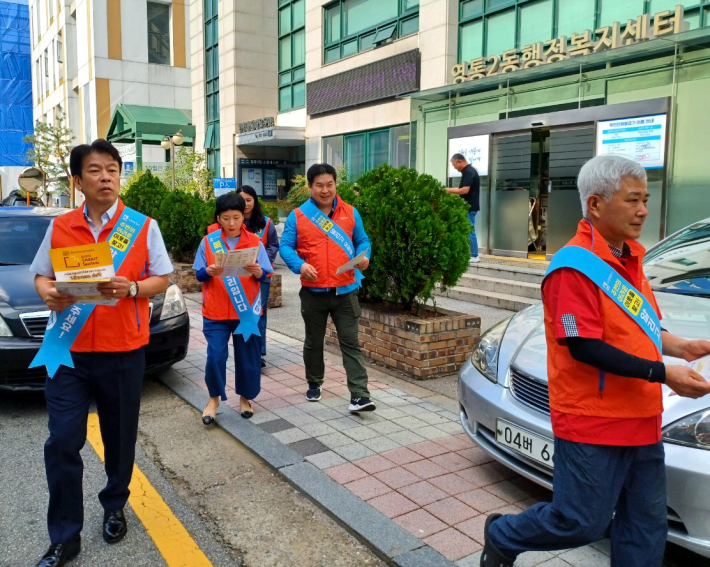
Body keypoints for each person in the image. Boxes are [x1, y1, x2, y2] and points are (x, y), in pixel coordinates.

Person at [480, 155, 710, 567]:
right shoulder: (572, 268)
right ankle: (502, 534)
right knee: (580, 521)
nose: (643, 210)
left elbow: (643, 328)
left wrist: (681, 347)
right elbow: (583, 346)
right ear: (596, 205)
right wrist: (664, 373)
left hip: (642, 417)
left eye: (646, 199)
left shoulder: (632, 258)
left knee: (645, 524)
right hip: (593, 421)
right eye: (632, 200)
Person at [29, 140, 173, 567]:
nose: (106, 177)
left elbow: (162, 278)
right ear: (77, 180)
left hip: (122, 351)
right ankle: (64, 536)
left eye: (112, 169)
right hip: (68, 353)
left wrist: (131, 287)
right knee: (62, 442)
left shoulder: (142, 226)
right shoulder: (61, 227)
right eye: (95, 170)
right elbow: (41, 276)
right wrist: (49, 294)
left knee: (119, 437)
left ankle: (114, 505)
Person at [279, 163, 375, 413]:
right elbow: (286, 247)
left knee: (351, 342)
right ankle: (314, 382)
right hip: (313, 292)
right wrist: (300, 266)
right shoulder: (298, 216)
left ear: (335, 185)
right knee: (313, 341)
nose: (325, 190)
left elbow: (362, 240)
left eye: (329, 184)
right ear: (310, 187)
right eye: (319, 185)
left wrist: (364, 255)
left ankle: (359, 395)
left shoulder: (351, 212)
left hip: (345, 291)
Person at [193, 192, 273, 424]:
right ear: (218, 217)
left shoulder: (254, 243)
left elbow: (265, 274)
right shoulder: (208, 242)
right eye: (226, 218)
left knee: (248, 358)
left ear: (243, 217)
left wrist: (258, 272)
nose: (231, 223)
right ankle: (214, 398)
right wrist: (207, 271)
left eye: (236, 218)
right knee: (215, 356)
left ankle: (245, 398)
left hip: (246, 313)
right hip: (216, 312)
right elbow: (198, 274)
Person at [236, 185, 280, 367]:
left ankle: (259, 352)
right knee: (241, 312)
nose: (246, 204)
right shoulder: (233, 222)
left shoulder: (266, 223)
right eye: (242, 200)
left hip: (261, 276)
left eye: (249, 200)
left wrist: (262, 262)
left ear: (255, 201)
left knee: (259, 312)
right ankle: (245, 349)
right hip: (238, 276)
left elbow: (273, 246)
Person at [447, 153, 480, 264]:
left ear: (459, 161)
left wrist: (446, 190)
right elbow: (461, 189)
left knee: (470, 230)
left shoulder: (469, 172)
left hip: (469, 207)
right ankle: (470, 254)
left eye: (454, 165)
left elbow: (464, 190)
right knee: (467, 230)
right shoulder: (467, 171)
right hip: (467, 206)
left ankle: (474, 255)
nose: (454, 168)